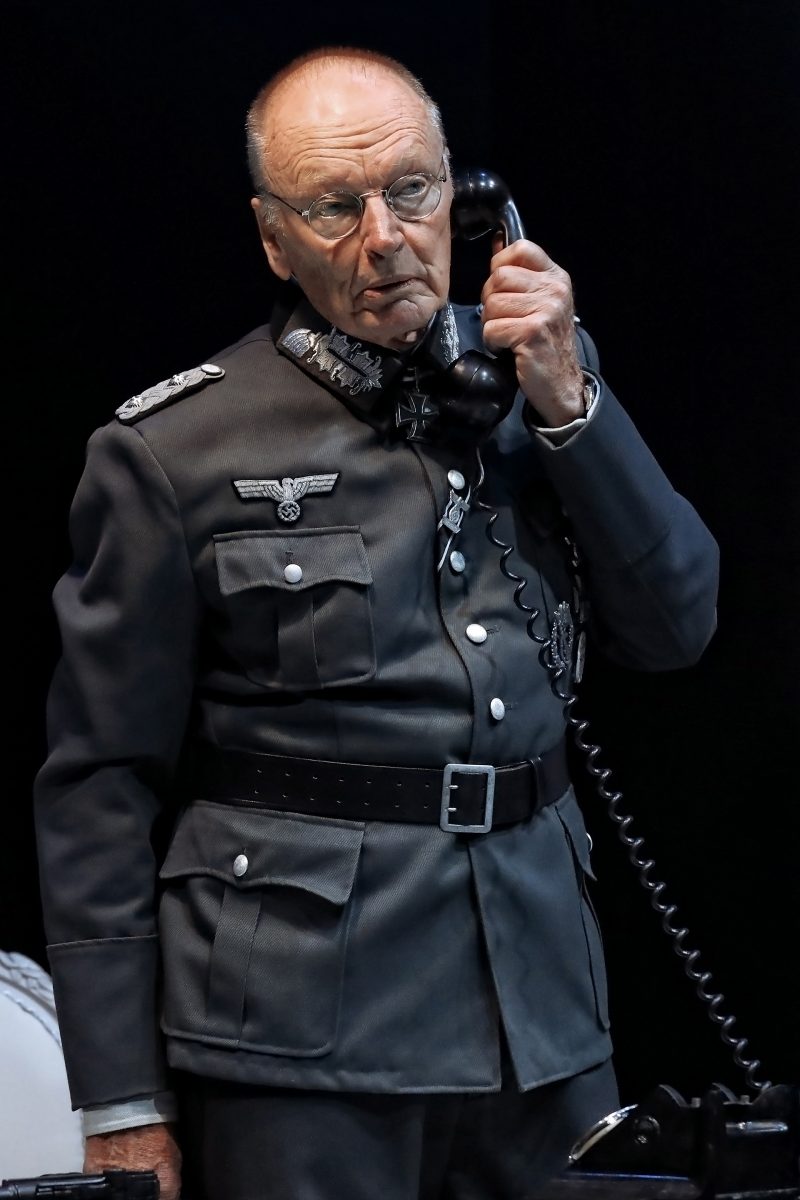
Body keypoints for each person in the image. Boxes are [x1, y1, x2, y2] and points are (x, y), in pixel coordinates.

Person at [34, 46, 719, 1200]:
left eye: (411, 190)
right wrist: (121, 1100)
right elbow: (98, 784)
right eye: (331, 207)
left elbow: (676, 626)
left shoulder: (531, 381)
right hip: (300, 1034)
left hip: (540, 1014)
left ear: (462, 193)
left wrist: (567, 404)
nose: (385, 235)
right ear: (271, 237)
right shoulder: (172, 453)